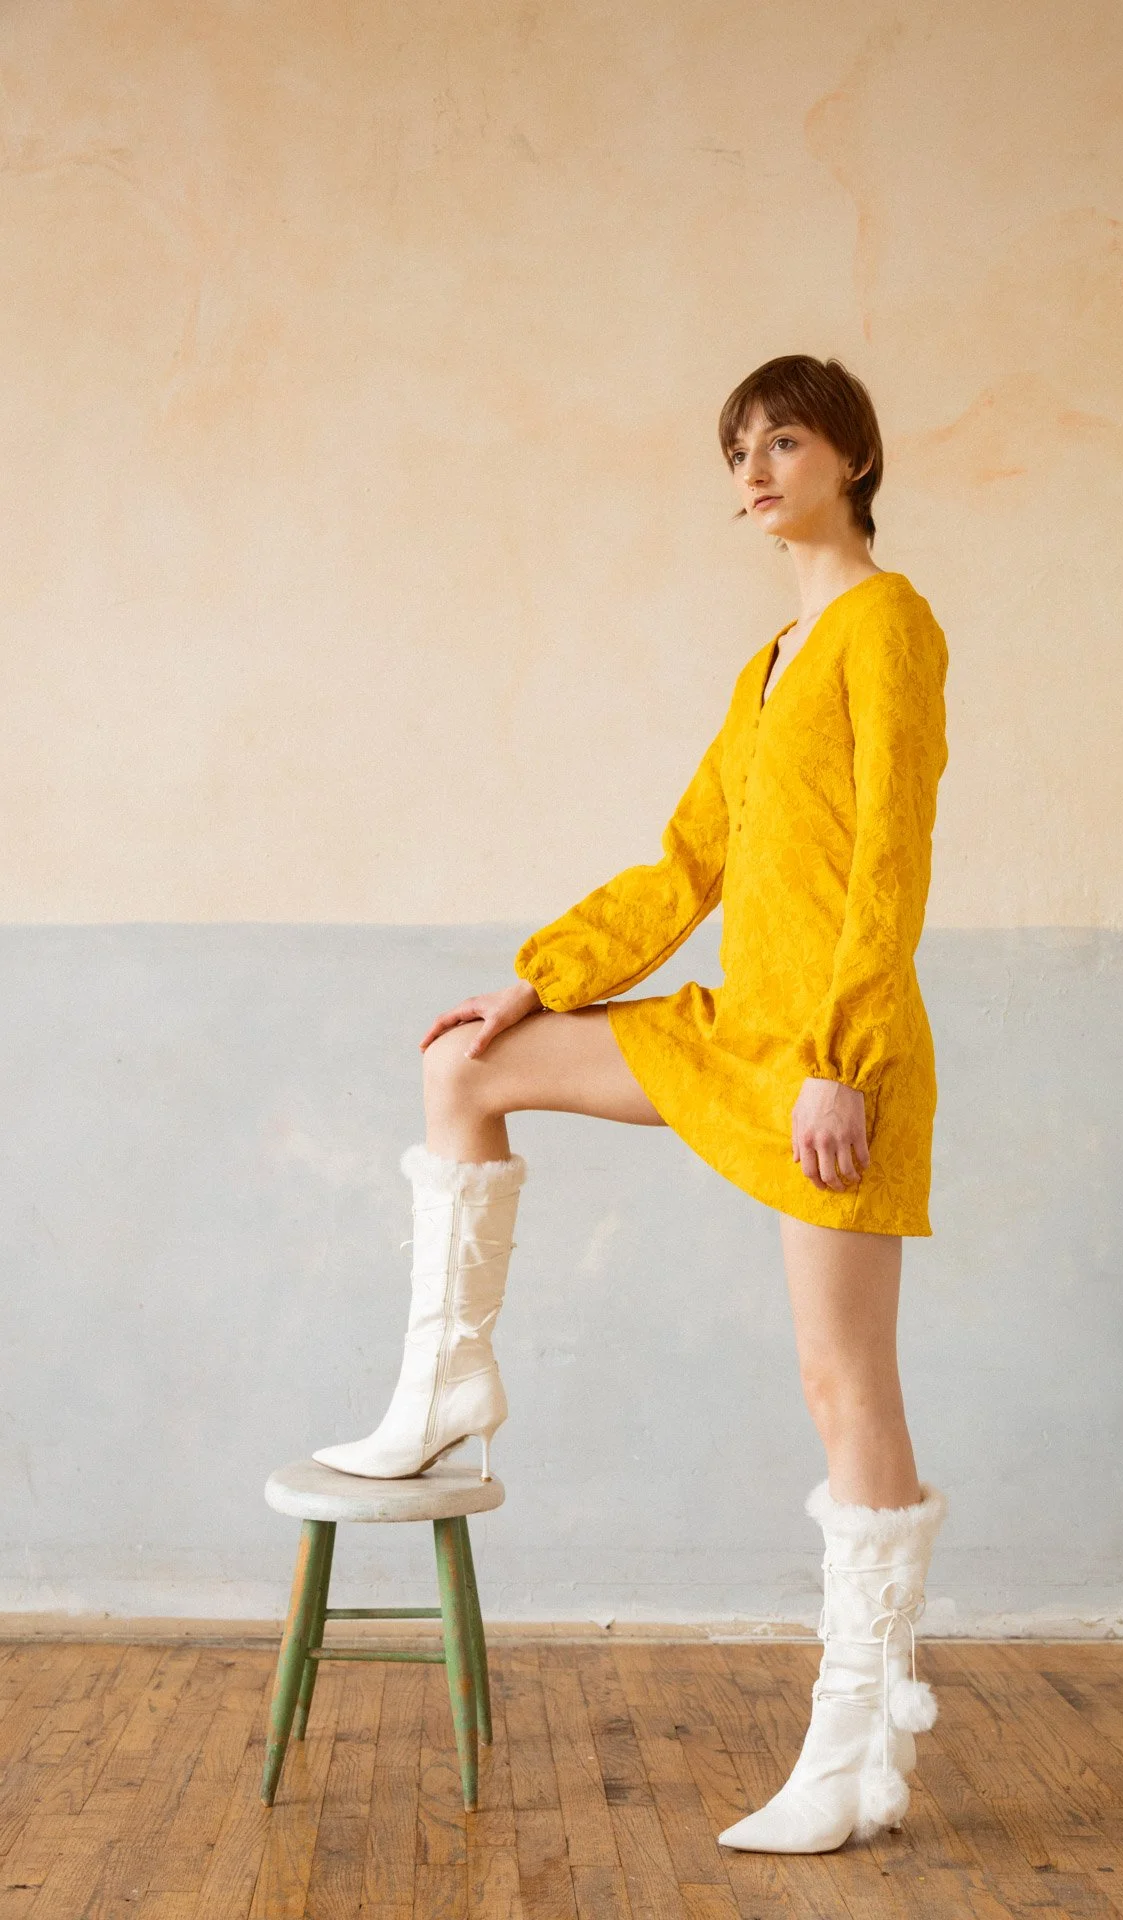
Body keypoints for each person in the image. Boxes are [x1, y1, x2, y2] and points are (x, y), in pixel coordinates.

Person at [314, 354, 951, 1854]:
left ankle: (858, 1746)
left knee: (839, 1386)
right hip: (734, 1030)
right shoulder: (769, 664)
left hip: (830, 1062)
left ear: (850, 455)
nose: (754, 469)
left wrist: (840, 1062)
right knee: (460, 1066)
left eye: (782, 440)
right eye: (739, 447)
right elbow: (688, 866)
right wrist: (541, 979)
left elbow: (889, 869)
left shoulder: (889, 624)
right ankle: (444, 1396)